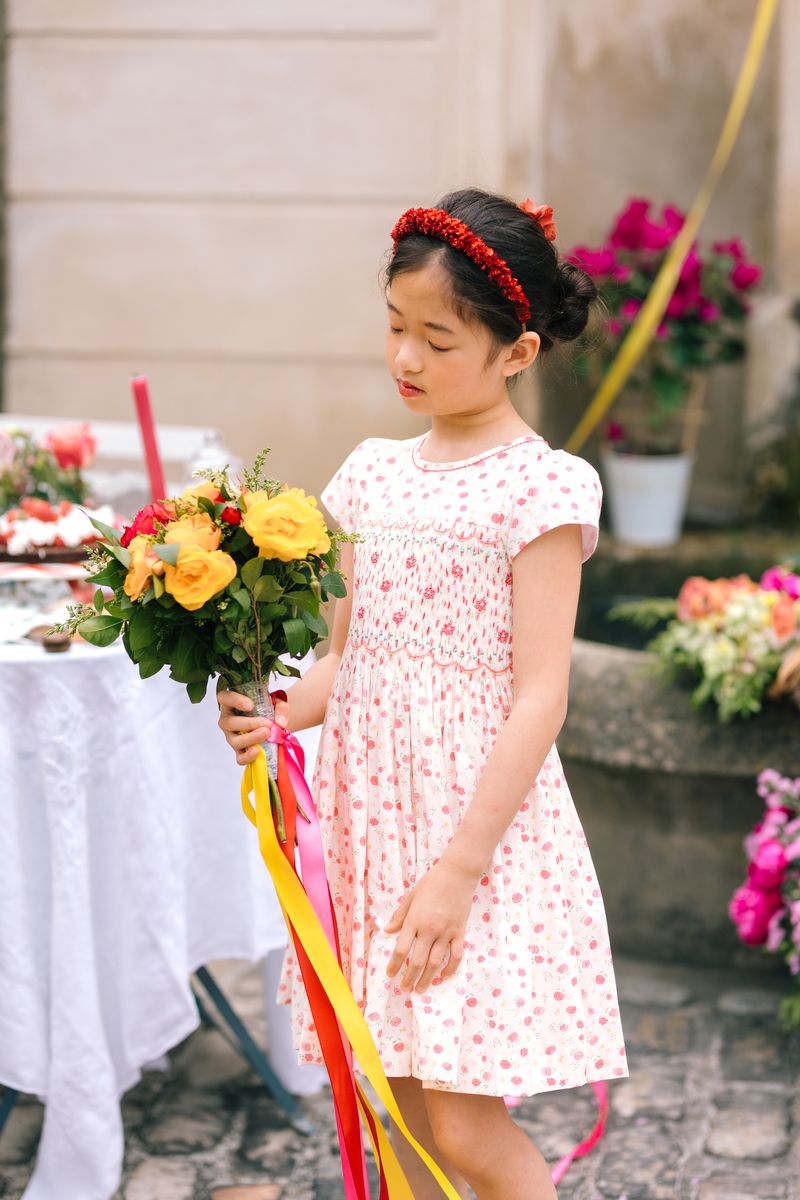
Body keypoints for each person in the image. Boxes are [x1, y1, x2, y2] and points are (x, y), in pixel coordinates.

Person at [218, 187, 628, 1200]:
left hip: (469, 839)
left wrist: (457, 872)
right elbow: (347, 662)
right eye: (395, 328)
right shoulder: (369, 476)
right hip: (374, 827)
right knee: (390, 1095)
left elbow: (540, 697)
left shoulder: (540, 487)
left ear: (515, 354)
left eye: (437, 340)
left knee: (462, 1123)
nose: (405, 358)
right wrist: (280, 710)